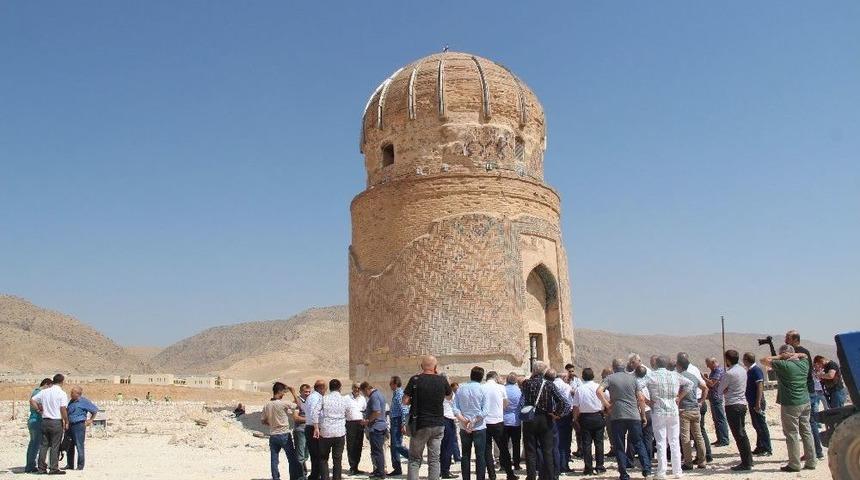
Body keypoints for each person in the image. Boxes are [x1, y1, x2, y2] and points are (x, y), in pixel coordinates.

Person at [762, 345, 817, 472]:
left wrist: (780, 356)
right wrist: (795, 355)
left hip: (790, 403)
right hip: (805, 401)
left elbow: (763, 360)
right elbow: (805, 356)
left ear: (784, 354)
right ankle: (811, 461)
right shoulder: (804, 363)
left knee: (791, 434)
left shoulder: (784, 365)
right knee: (806, 432)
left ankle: (794, 464)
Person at [597, 358, 651, 480]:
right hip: (633, 415)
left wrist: (607, 405)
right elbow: (641, 398)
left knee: (619, 445)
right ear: (624, 367)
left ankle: (624, 474)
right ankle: (647, 470)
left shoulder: (609, 378)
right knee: (638, 442)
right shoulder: (633, 379)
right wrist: (643, 415)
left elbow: (599, 391)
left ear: (613, 367)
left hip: (617, 416)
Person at [403, 355, 453, 480]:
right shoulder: (442, 380)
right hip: (438, 424)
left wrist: (415, 400)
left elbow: (405, 401)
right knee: (434, 460)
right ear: (435, 367)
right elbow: (449, 396)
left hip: (420, 424)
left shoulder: (415, 379)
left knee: (414, 459)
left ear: (421, 366)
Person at [521, 361, 571, 480]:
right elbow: (563, 402)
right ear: (544, 371)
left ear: (533, 370)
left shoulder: (526, 384)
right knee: (547, 450)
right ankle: (549, 476)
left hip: (530, 418)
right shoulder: (548, 384)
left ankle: (531, 476)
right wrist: (557, 414)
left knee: (530, 451)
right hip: (545, 419)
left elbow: (523, 399)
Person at [645, 355, 692, 479]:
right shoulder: (675, 375)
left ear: (656, 364)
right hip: (673, 411)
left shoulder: (651, 375)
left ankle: (662, 472)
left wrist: (647, 401)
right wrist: (679, 397)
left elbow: (637, 386)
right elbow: (690, 384)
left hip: (658, 411)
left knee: (661, 442)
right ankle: (677, 471)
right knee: (674, 441)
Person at [784, 329, 823, 459]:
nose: (785, 340)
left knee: (808, 423)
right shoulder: (799, 352)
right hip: (805, 390)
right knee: (806, 424)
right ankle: (813, 452)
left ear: (795, 339)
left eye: (788, 338)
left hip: (805, 391)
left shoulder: (801, 352)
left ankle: (815, 452)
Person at [719, 350, 753, 471]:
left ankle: (746, 463)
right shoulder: (743, 370)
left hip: (732, 405)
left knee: (739, 434)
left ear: (728, 360)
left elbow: (719, 390)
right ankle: (748, 460)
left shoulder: (729, 373)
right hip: (742, 404)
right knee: (742, 432)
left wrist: (726, 389)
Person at [262, 382, 304, 480]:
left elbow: (263, 421)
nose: (284, 394)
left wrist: (273, 424)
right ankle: (294, 478)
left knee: (274, 459)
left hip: (273, 435)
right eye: (283, 392)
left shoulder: (267, 405)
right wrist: (293, 392)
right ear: (279, 391)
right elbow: (298, 405)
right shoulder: (283, 403)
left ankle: (275, 478)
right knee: (291, 458)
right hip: (284, 434)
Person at [454, 366, 489, 480]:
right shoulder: (483, 389)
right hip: (479, 427)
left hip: (464, 426)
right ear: (482, 377)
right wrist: (473, 421)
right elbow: (485, 411)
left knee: (465, 455)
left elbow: (455, 409)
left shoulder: (460, 389)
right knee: (480, 455)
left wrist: (464, 420)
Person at [29, 373, 69, 475]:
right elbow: (63, 408)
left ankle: (41, 468)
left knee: (44, 445)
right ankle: (53, 468)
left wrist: (38, 410)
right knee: (55, 445)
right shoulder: (62, 393)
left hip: (45, 421)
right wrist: (66, 421)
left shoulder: (44, 392)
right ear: (62, 382)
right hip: (56, 421)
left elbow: (32, 400)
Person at [677, 352, 712, 463]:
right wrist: (701, 402)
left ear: (679, 365)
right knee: (698, 435)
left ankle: (688, 462)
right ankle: (703, 460)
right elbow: (705, 388)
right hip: (695, 408)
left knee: (685, 437)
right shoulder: (693, 376)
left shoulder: (679, 377)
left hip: (685, 409)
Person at [482, 371, 516, 480]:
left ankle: (492, 475)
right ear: (495, 377)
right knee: (504, 449)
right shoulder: (501, 387)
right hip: (497, 421)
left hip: (484, 422)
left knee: (487, 450)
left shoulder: (482, 387)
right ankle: (510, 474)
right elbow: (505, 403)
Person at [571, 368, 606, 476]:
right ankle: (599, 466)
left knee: (586, 444)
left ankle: (588, 468)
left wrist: (575, 419)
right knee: (599, 443)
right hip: (598, 416)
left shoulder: (579, 389)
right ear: (593, 376)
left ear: (582, 376)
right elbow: (605, 401)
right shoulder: (598, 387)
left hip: (585, 418)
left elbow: (575, 406)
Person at [313, 379, 349, 480]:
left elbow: (315, 413)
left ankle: (325, 478)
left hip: (326, 432)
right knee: (337, 459)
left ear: (329, 388)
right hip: (339, 432)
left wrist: (316, 427)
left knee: (323, 458)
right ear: (340, 388)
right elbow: (348, 413)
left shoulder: (324, 399)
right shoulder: (344, 399)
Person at [742, 352, 772, 456]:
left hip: (757, 402)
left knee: (761, 425)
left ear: (746, 360)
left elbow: (760, 386)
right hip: (752, 402)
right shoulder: (750, 370)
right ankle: (760, 446)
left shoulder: (756, 370)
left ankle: (767, 448)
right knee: (757, 425)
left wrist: (758, 403)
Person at [64, 386, 99, 471]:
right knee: (69, 445)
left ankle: (80, 466)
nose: (70, 394)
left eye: (72, 392)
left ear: (78, 394)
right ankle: (70, 464)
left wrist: (90, 420)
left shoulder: (84, 401)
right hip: (70, 425)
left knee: (79, 445)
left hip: (79, 425)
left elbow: (94, 410)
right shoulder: (71, 401)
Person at [361, 381, 388, 479]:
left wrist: (367, 421)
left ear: (366, 389)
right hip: (380, 427)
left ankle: (381, 473)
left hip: (376, 428)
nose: (365, 395)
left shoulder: (374, 396)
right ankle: (378, 470)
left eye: (364, 393)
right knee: (377, 450)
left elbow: (377, 412)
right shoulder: (379, 394)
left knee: (377, 451)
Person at [24, 378, 52, 473]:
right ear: (46, 384)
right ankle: (30, 466)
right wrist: (40, 410)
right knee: (35, 444)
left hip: (33, 420)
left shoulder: (36, 391)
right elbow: (33, 402)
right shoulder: (39, 392)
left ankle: (31, 464)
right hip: (37, 420)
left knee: (33, 443)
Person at [703, 357, 730, 447]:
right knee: (716, 419)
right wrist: (707, 379)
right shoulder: (713, 371)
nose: (708, 366)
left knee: (720, 418)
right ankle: (720, 438)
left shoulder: (718, 370)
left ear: (713, 363)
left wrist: (704, 378)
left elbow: (712, 383)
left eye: (708, 364)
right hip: (713, 397)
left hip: (717, 397)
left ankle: (724, 439)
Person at [305, 380, 327, 480]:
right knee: (318, 454)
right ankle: (316, 476)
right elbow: (315, 413)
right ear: (321, 388)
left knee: (314, 454)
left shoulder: (311, 397)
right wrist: (316, 427)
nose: (325, 391)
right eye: (325, 388)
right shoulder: (317, 398)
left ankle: (315, 475)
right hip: (314, 427)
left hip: (310, 427)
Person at [389, 376, 410, 476]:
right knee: (394, 446)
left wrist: (404, 424)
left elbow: (404, 409)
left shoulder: (399, 393)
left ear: (395, 384)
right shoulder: (396, 393)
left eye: (391, 383)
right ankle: (397, 468)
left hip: (397, 421)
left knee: (396, 445)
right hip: (394, 421)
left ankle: (412, 457)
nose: (389, 385)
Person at [344, 383, 367, 475]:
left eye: (359, 388)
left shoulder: (363, 399)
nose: (357, 389)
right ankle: (352, 467)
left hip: (360, 424)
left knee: (358, 445)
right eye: (355, 387)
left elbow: (365, 410)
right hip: (350, 423)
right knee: (351, 445)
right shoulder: (346, 398)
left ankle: (356, 466)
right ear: (352, 388)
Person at [502, 373, 523, 472]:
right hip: (516, 420)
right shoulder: (519, 391)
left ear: (507, 379)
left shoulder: (503, 389)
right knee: (516, 444)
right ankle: (517, 464)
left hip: (504, 420)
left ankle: (503, 464)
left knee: (504, 444)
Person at [294, 383, 312, 477]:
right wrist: (309, 419)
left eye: (309, 392)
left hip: (309, 430)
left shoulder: (309, 402)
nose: (307, 393)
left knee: (306, 455)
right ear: (300, 392)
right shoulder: (297, 402)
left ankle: (304, 473)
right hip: (300, 431)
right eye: (305, 392)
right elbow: (296, 418)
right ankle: (301, 476)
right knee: (300, 455)